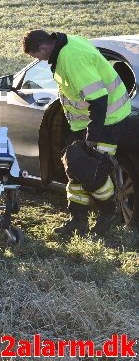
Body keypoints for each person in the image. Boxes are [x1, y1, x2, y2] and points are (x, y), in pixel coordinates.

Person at [22, 29, 130, 237]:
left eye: (37, 55)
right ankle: (78, 220)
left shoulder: (71, 58)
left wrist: (92, 138)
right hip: (86, 122)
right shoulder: (65, 44)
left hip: (108, 119)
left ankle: (108, 214)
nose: (39, 60)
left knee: (94, 169)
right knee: (74, 166)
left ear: (44, 47)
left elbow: (98, 100)